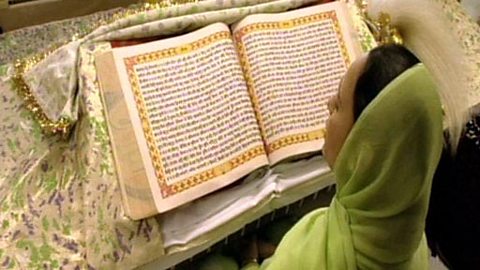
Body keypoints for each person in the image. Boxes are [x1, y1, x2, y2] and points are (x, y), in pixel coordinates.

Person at [200, 43, 444, 270]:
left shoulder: (305, 261)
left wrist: (250, 260)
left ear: (364, 148)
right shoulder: (409, 233)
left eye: (338, 104)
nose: (328, 105)